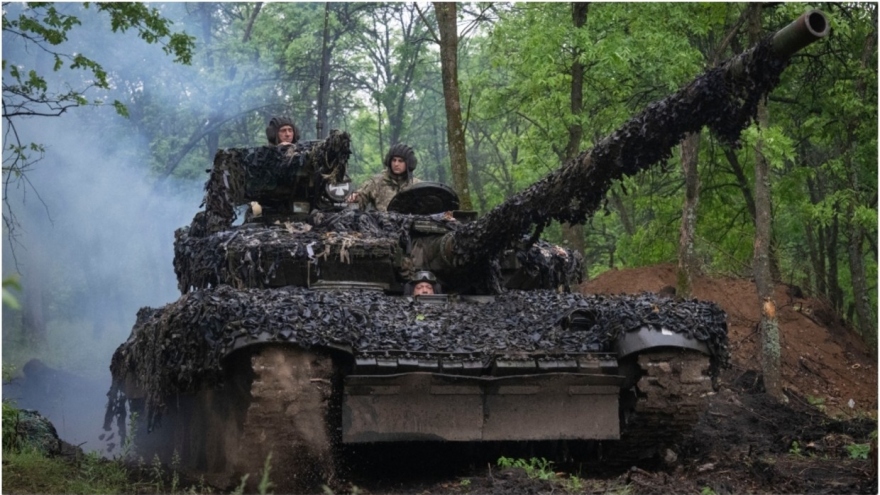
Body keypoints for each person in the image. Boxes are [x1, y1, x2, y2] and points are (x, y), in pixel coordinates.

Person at [347, 143, 421, 211]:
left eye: (400, 161)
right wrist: (355, 199)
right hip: (381, 220)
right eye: (394, 160)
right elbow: (361, 198)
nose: (396, 164)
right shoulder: (377, 182)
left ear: (408, 163)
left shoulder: (416, 186)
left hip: (409, 220)